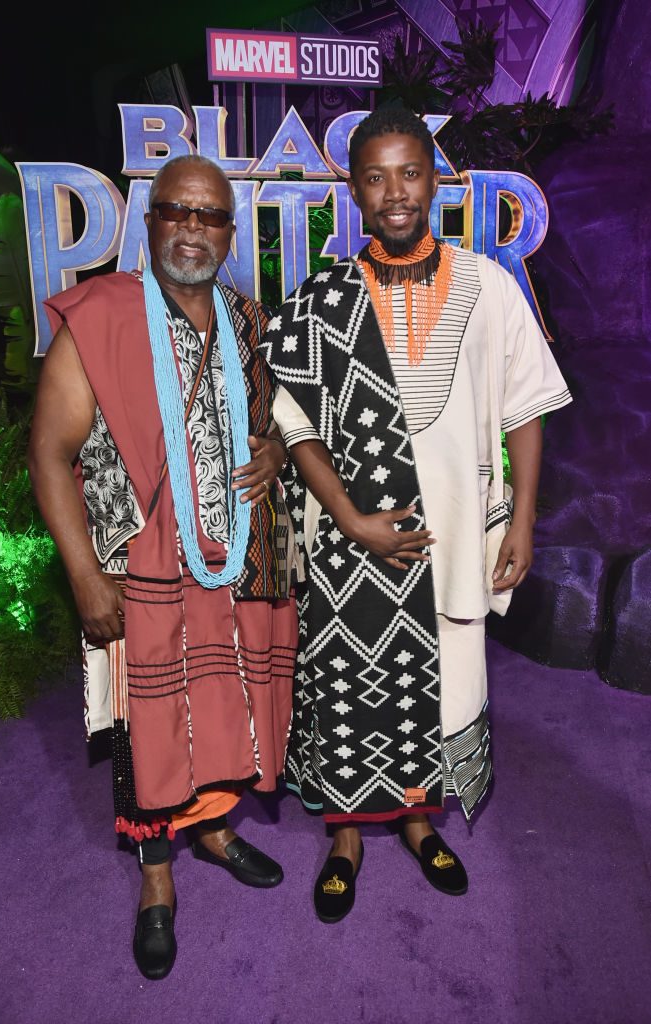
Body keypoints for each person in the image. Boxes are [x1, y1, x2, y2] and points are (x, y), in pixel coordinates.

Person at [262, 105, 572, 922]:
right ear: (354, 192)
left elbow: (525, 409)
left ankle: (416, 820)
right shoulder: (321, 298)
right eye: (375, 177)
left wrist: (523, 521)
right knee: (346, 681)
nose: (394, 192)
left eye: (409, 173)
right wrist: (347, 518)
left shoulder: (487, 285)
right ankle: (344, 836)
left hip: (457, 534)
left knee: (441, 681)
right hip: (347, 540)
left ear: (435, 182)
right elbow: (293, 424)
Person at [27, 154, 297, 978]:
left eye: (209, 215)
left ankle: (211, 829)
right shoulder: (102, 316)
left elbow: (275, 424)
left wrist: (275, 451)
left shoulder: (248, 323)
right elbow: (48, 452)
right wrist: (83, 574)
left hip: (232, 562)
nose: (191, 227)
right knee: (145, 728)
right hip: (138, 566)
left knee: (220, 710)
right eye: (176, 210)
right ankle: (155, 879)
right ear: (149, 224)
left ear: (228, 233)